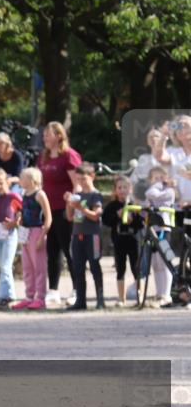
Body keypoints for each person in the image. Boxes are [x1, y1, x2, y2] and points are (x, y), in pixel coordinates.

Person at [38, 121, 83, 306]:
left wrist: (72, 206)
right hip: (48, 209)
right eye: (44, 135)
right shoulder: (44, 157)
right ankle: (54, 289)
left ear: (59, 136)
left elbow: (77, 184)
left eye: (48, 135)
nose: (45, 138)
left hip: (66, 210)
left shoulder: (69, 156)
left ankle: (77, 288)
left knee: (69, 249)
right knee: (52, 250)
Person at [64, 163, 104, 311]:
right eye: (78, 179)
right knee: (78, 268)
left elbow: (96, 216)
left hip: (92, 236)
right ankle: (81, 300)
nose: (81, 182)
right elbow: (69, 217)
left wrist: (82, 208)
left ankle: (100, 299)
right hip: (77, 235)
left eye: (84, 179)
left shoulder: (95, 195)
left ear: (92, 177)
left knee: (94, 266)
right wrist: (69, 204)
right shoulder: (78, 195)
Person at [14, 167, 52, 310]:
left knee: (39, 267)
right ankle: (29, 296)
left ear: (32, 180)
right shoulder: (24, 194)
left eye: (22, 178)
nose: (20, 180)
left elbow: (48, 218)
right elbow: (24, 213)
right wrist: (18, 220)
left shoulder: (40, 195)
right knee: (27, 267)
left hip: (37, 231)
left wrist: (42, 237)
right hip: (26, 232)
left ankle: (40, 297)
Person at [102, 175, 141, 307]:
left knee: (136, 267)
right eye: (119, 187)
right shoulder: (112, 206)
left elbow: (141, 224)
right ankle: (121, 298)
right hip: (118, 240)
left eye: (125, 187)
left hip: (133, 240)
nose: (122, 190)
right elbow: (106, 221)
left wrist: (133, 219)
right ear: (115, 190)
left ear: (130, 189)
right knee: (120, 269)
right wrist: (116, 216)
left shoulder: (134, 206)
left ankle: (139, 296)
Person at [0, 169, 22, 311]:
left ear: (7, 182)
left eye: (1, 183)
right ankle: (9, 294)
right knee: (3, 266)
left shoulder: (13, 197)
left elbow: (22, 211)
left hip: (9, 234)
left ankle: (3, 296)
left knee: (6, 265)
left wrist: (16, 222)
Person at [143, 166, 177, 306]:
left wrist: (159, 185)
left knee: (165, 261)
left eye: (160, 178)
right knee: (156, 263)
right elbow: (147, 199)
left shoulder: (169, 191)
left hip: (164, 229)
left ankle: (167, 294)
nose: (158, 181)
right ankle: (159, 293)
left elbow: (153, 194)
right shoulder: (149, 193)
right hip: (152, 230)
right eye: (154, 178)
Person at [159, 115, 191, 208]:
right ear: (176, 136)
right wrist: (163, 135)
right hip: (178, 206)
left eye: (185, 125)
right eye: (179, 127)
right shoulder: (173, 152)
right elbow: (160, 157)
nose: (182, 128)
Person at [129, 127, 168, 200]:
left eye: (156, 136)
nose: (153, 139)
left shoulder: (171, 156)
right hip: (147, 199)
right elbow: (133, 180)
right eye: (150, 137)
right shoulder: (143, 158)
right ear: (147, 141)